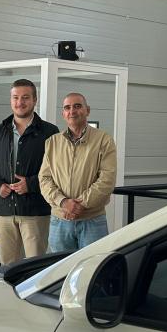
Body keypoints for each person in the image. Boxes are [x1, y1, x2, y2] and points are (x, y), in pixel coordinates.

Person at [0, 79, 59, 265]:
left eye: (25, 97)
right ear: (11, 100)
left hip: (35, 212)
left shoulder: (50, 132)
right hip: (3, 212)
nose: (20, 102)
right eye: (15, 97)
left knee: (37, 267)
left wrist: (30, 184)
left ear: (34, 100)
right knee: (8, 268)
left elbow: (57, 170)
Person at [38, 92, 117, 251]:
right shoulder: (52, 142)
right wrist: (63, 202)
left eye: (77, 106)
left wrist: (80, 205)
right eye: (67, 108)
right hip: (59, 222)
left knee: (93, 269)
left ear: (87, 110)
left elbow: (107, 179)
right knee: (60, 271)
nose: (72, 111)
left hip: (92, 221)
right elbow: (44, 179)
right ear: (63, 114)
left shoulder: (104, 140)